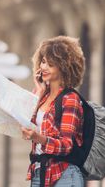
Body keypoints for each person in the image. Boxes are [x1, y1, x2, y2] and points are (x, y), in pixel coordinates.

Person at [21, 36, 85, 187]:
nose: (44, 67)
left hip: (64, 175)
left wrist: (39, 138)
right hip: (39, 172)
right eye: (43, 62)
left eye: (50, 64)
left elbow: (66, 145)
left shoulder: (70, 99)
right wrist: (39, 91)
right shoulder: (41, 95)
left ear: (63, 67)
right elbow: (27, 122)